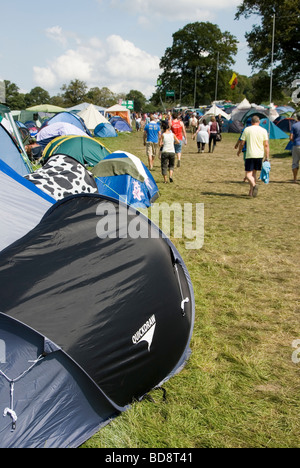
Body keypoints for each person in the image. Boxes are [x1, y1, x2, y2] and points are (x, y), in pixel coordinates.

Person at [237, 115, 269, 197]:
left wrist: (239, 150)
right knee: (254, 173)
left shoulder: (247, 129)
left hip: (250, 154)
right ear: (259, 122)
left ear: (251, 122)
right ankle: (251, 192)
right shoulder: (264, 130)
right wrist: (267, 156)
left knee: (248, 175)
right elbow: (266, 145)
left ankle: (254, 186)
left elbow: (242, 142)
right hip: (259, 155)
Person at [290, 112, 300, 183]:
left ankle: (295, 179)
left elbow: (291, 137)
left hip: (296, 145)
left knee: (295, 163)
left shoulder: (294, 126)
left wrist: (294, 140)